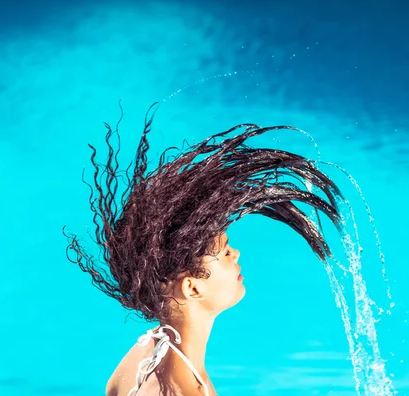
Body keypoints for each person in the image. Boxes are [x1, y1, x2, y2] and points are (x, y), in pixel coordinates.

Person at [64, 103, 346, 395]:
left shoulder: (145, 351)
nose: (236, 255)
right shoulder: (180, 388)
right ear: (193, 288)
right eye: (224, 253)